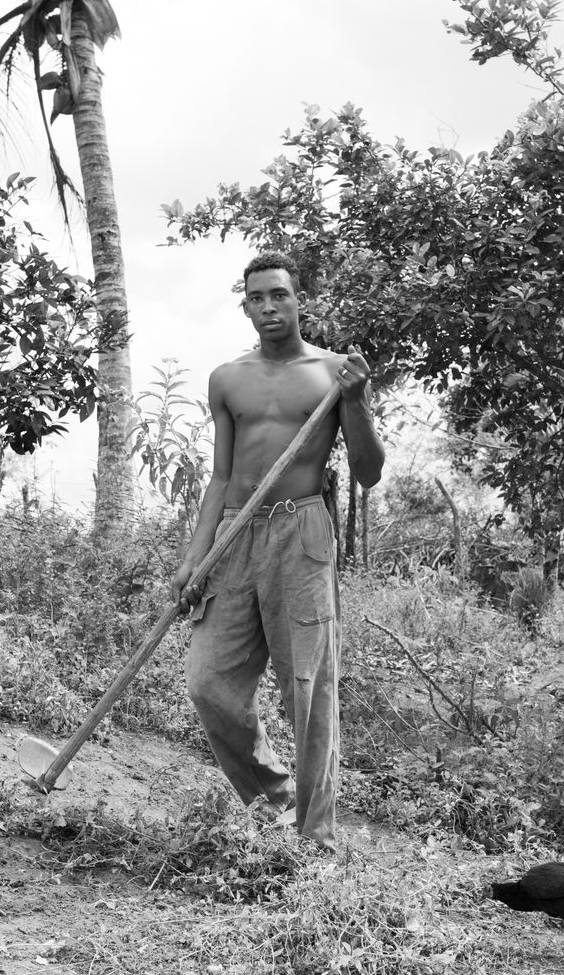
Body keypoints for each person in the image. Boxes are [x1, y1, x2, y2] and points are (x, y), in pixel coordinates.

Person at [170, 250, 384, 852]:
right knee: (209, 682)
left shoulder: (334, 374)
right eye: (257, 297)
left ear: (299, 299)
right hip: (236, 534)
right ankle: (273, 799)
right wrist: (195, 555)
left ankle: (316, 838)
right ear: (245, 305)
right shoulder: (227, 378)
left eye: (279, 295)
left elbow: (368, 473)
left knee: (308, 687)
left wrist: (358, 401)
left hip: (302, 531)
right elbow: (219, 477)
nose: (269, 307)